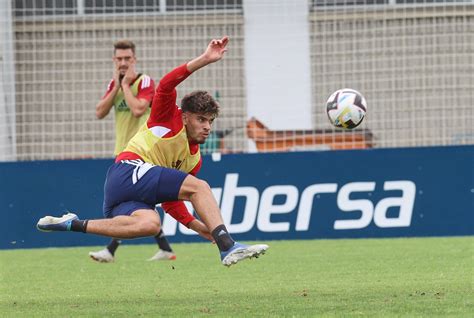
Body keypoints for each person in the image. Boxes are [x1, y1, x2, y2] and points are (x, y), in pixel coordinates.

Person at [37, 36, 269, 267]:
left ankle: (73, 223)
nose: (207, 126)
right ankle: (227, 245)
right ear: (185, 116)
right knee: (200, 187)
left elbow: (170, 202)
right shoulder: (168, 116)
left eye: (210, 121)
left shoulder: (194, 159)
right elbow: (167, 83)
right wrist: (205, 59)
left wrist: (199, 227)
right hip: (129, 169)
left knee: (150, 225)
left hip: (122, 194)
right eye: (201, 119)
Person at [90, 39, 177, 263]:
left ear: (134, 59)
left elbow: (139, 109)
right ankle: (165, 249)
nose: (123, 62)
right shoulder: (114, 85)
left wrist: (127, 86)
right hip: (123, 152)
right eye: (119, 59)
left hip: (145, 152)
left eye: (127, 58)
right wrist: (118, 86)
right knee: (136, 204)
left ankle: (110, 250)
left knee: (129, 202)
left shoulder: (144, 81)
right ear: (113, 60)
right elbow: (99, 112)